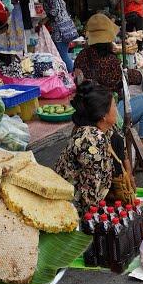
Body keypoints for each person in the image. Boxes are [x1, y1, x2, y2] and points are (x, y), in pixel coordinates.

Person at [73, 14, 143, 149]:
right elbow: (125, 78)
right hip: (106, 112)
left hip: (87, 111)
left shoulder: (81, 56)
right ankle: (142, 148)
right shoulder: (108, 60)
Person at [54, 80, 119, 215]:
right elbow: (89, 196)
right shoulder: (92, 140)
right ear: (104, 116)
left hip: (89, 197)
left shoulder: (103, 129)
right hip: (72, 207)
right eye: (114, 106)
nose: (116, 110)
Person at [40, 0, 78, 73]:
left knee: (62, 54)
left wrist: (44, 20)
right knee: (63, 53)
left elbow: (55, 11)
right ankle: (72, 73)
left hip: (61, 30)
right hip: (65, 28)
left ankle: (72, 74)